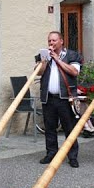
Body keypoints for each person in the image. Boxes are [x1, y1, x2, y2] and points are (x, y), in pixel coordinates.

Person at [35, 31, 83, 168]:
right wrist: (44, 61)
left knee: (69, 128)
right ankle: (51, 153)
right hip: (48, 98)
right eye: (49, 41)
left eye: (54, 41)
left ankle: (72, 156)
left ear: (61, 41)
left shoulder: (72, 55)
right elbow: (38, 72)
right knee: (50, 127)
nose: (51, 43)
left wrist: (57, 59)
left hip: (65, 99)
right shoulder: (43, 55)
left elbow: (74, 72)